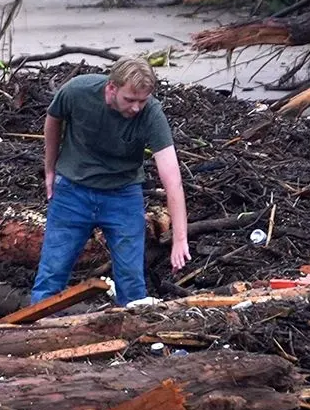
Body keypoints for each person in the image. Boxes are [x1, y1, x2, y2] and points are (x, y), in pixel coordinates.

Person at [31, 57, 190, 306]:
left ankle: (133, 340)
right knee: (52, 274)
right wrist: (49, 169)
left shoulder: (151, 113)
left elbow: (172, 179)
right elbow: (53, 120)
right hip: (73, 193)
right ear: (111, 88)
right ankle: (35, 334)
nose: (136, 108)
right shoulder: (77, 91)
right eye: (129, 100)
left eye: (142, 100)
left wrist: (180, 238)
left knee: (132, 281)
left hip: (123, 196)